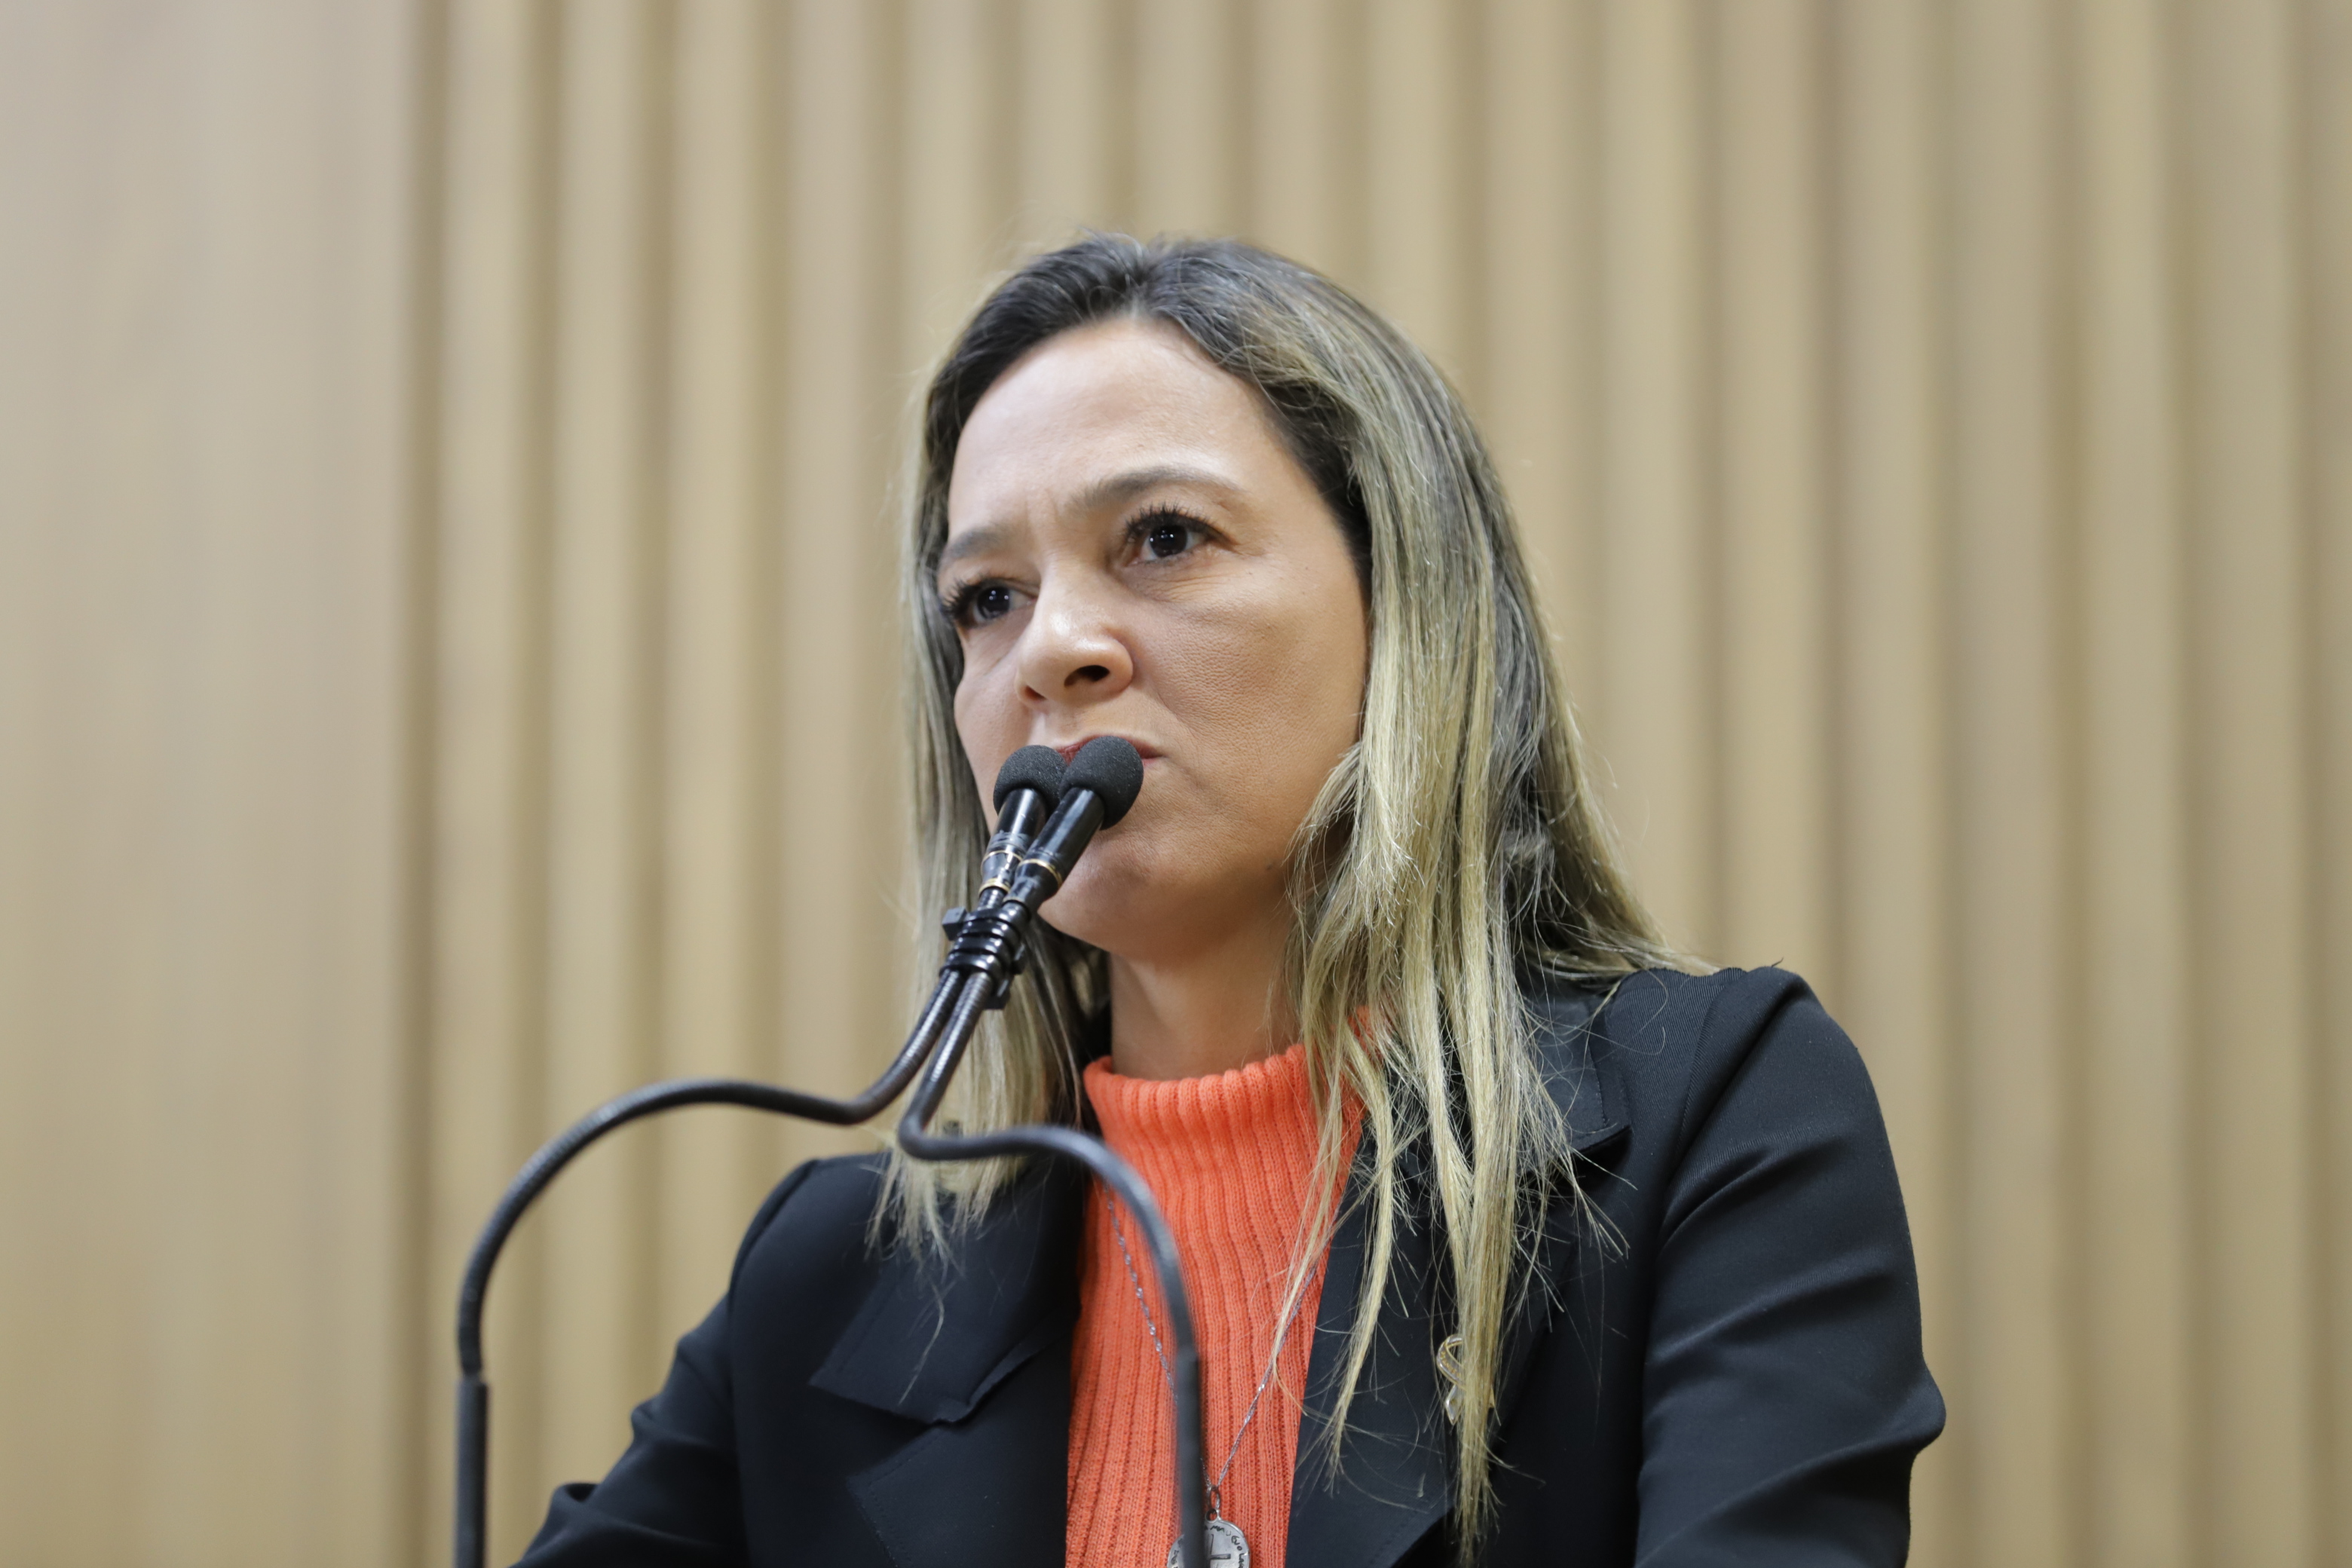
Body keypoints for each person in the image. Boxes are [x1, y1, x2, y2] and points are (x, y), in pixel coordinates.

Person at [515, 234, 1943, 1568]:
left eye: (1164, 537)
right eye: (986, 597)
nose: (1050, 649)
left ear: (1406, 605)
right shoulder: (839, 1270)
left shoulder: (1719, 1118)